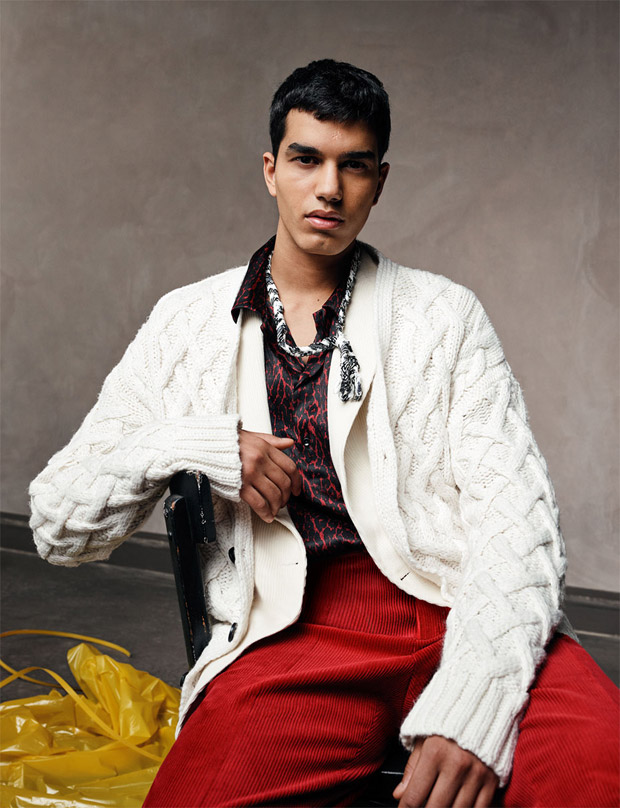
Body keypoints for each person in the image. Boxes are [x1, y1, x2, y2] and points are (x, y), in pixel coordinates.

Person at [30, 59, 619, 808]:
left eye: (355, 166)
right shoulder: (186, 323)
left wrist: (475, 699)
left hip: (463, 609)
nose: (330, 188)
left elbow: (518, 523)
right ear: (271, 170)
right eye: (306, 159)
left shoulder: (444, 315)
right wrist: (197, 443)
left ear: (380, 181)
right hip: (294, 633)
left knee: (597, 772)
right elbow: (57, 526)